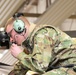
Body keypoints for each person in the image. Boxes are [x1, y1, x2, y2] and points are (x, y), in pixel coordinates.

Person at [5, 13, 76, 75]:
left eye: (10, 35)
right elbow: (21, 67)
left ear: (19, 28)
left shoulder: (42, 35)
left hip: (72, 69)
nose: (11, 40)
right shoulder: (30, 44)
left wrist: (19, 54)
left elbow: (40, 66)